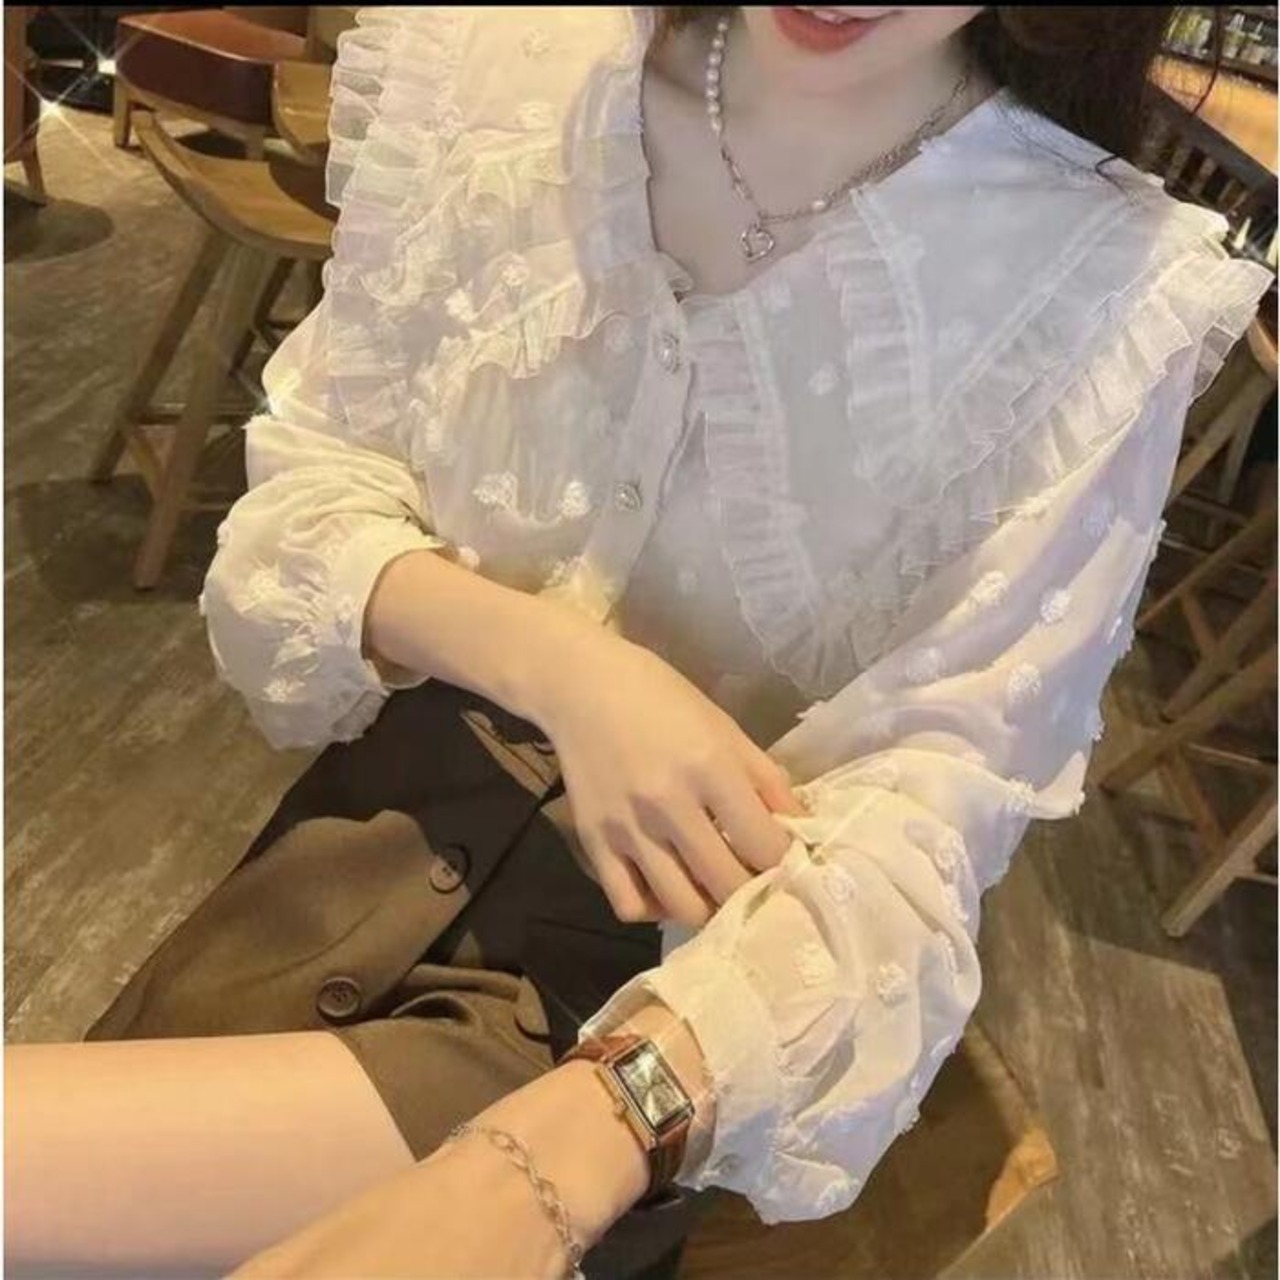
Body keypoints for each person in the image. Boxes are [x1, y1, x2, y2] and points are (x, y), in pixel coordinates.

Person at [7, 6, 1273, 1279]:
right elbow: (311, 489)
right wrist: (571, 671)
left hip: (653, 986)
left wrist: (596, 1125)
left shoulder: (1101, 293)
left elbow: (928, 817)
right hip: (357, 846)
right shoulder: (498, 65)